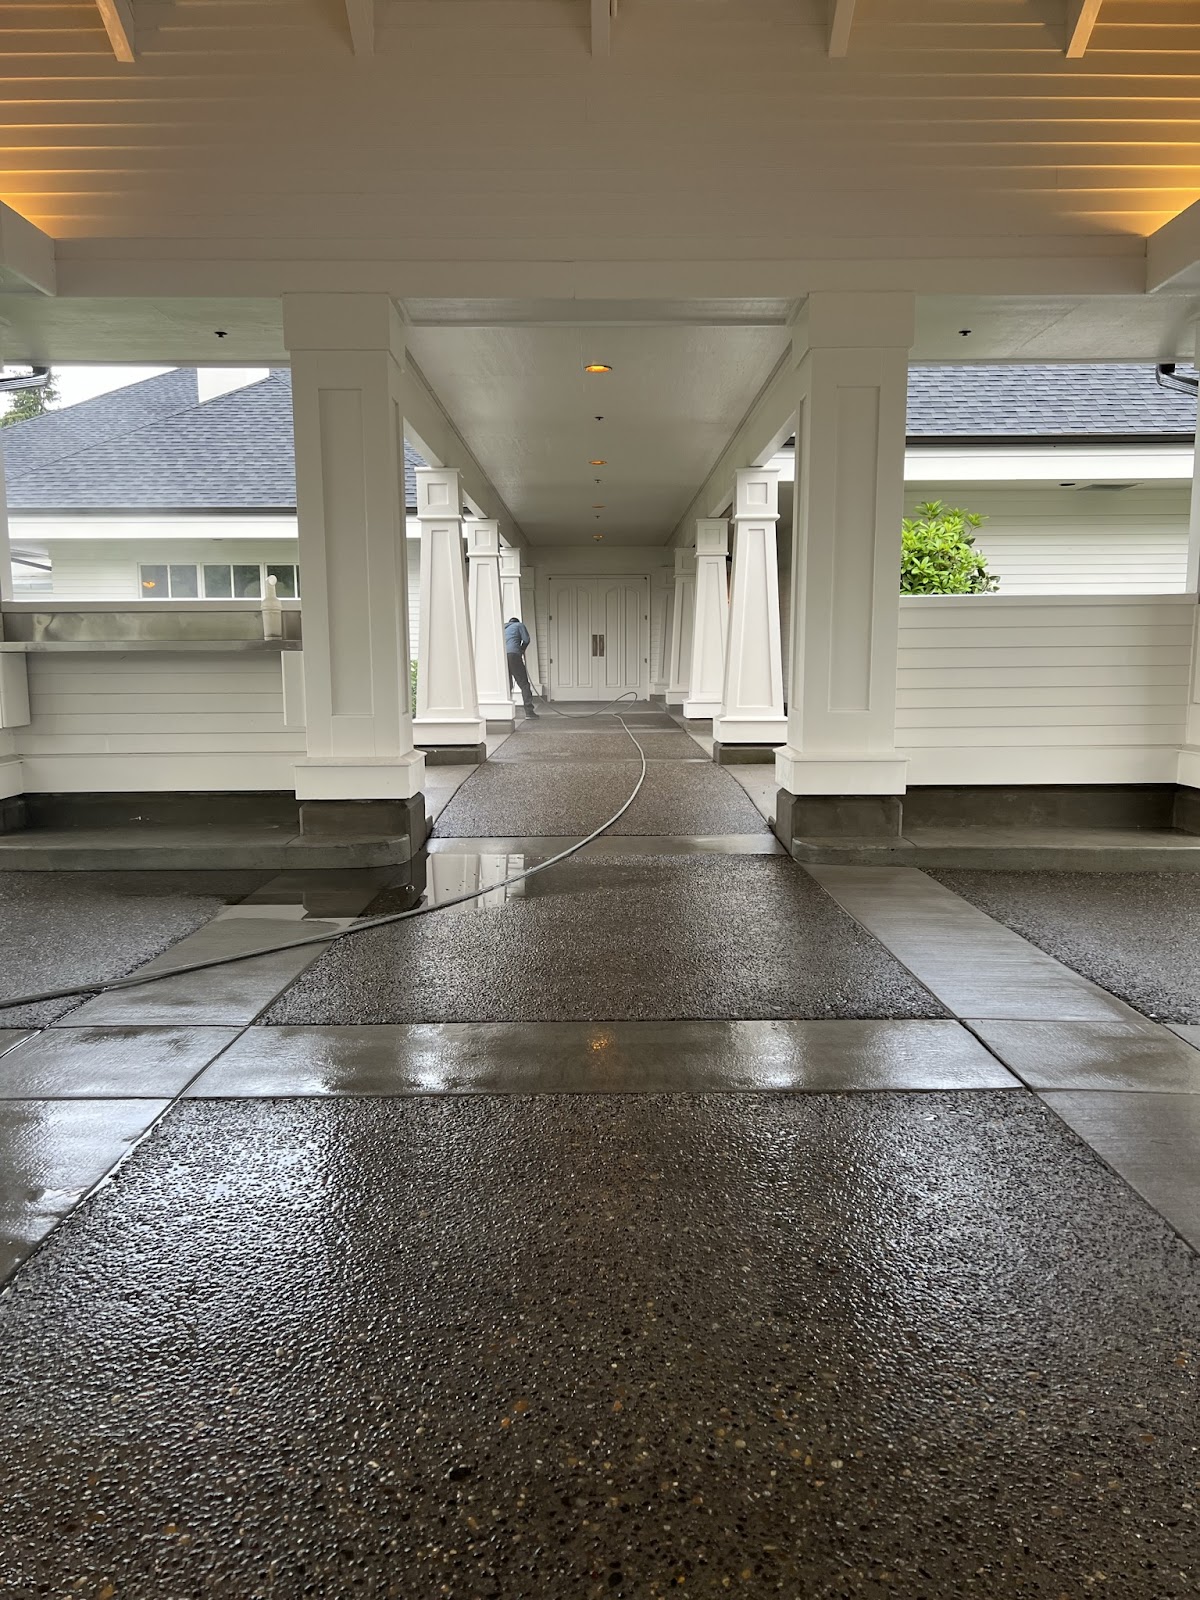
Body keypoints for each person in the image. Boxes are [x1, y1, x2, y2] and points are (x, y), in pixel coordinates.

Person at [504, 616, 538, 717]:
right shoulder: (519, 625)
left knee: (507, 684)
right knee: (524, 684)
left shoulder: (503, 628)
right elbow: (526, 640)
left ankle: (506, 712)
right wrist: (522, 649)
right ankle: (529, 712)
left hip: (502, 656)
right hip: (514, 655)